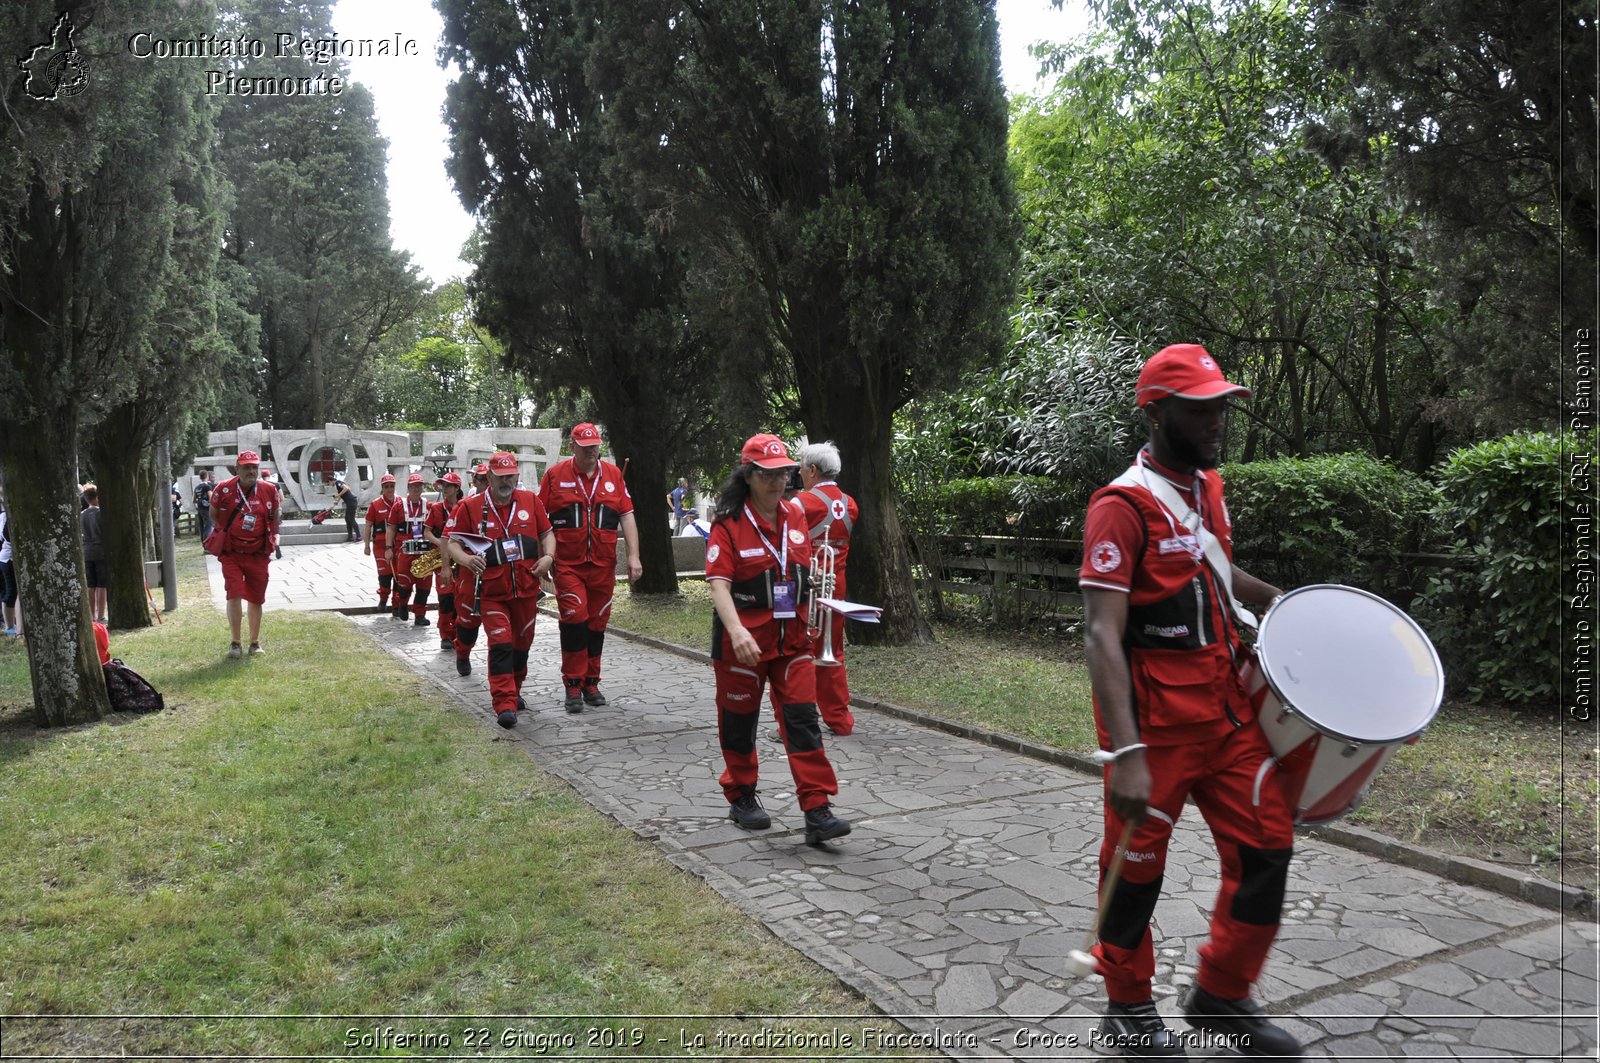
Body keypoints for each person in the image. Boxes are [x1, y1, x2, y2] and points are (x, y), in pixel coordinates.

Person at [1077, 344, 1297, 1059]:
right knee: (1135, 872)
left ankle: (1221, 994)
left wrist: (1289, 601)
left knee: (1267, 850)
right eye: (1201, 408)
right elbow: (1101, 636)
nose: (1216, 420)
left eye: (1221, 405)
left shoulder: (1208, 489)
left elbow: (1220, 572)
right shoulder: (1120, 507)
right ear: (1157, 411)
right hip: (1156, 730)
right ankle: (1126, 1005)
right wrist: (1127, 749)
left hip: (1228, 715)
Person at [705, 433, 850, 845]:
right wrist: (736, 630)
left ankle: (817, 809)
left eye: (784, 473)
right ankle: (742, 796)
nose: (778, 481)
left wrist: (813, 584)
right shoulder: (728, 522)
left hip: (793, 643)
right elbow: (718, 583)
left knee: (803, 721)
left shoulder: (796, 516)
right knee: (739, 725)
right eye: (767, 474)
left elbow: (799, 568)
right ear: (748, 476)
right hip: (743, 646)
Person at [445, 451, 555, 728]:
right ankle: (504, 702)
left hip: (527, 590)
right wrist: (466, 560)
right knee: (501, 644)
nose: (506, 482)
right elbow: (453, 543)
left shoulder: (531, 501)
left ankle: (514, 690)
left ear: (517, 475)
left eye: (511, 476)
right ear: (489, 477)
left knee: (521, 646)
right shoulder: (470, 507)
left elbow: (547, 533)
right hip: (492, 593)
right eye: (500, 477)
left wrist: (549, 557)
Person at [540, 423, 642, 712]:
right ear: (572, 446)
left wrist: (633, 556)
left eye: (595, 448)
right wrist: (545, 556)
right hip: (569, 565)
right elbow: (541, 520)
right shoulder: (554, 476)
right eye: (585, 449)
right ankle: (572, 684)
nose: (591, 453)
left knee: (597, 623)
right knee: (575, 619)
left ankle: (591, 681)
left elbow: (627, 517)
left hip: (603, 566)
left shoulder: (612, 475)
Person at [793, 441, 859, 736]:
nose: (799, 471)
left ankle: (796, 721)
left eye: (802, 467)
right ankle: (839, 719)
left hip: (806, 583)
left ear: (813, 470)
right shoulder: (850, 503)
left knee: (798, 652)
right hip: (836, 583)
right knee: (834, 650)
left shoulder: (801, 503)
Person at [210, 450, 281, 658]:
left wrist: (275, 536)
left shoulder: (269, 490)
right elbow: (214, 515)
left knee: (256, 597)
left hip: (258, 553)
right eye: (246, 467)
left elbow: (275, 515)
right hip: (232, 553)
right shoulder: (223, 489)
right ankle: (235, 643)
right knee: (234, 593)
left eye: (254, 467)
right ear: (237, 468)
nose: (251, 471)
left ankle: (254, 642)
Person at [386, 472, 435, 626]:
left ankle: (420, 614)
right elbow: (391, 528)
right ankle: (402, 604)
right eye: (413, 486)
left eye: (419, 486)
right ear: (408, 487)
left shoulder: (429, 506)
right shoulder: (399, 506)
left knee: (425, 585)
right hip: (405, 550)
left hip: (425, 551)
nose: (416, 489)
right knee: (405, 583)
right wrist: (388, 547)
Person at [424, 472, 465, 652]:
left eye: (448, 485)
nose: (445, 489)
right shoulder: (436, 508)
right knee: (445, 598)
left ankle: (458, 634)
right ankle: (445, 634)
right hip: (442, 558)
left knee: (461, 599)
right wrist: (440, 542)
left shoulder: (465, 507)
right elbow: (427, 532)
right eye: (443, 485)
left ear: (457, 488)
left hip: (461, 558)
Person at [363, 473, 399, 609]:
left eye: (392, 486)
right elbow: (368, 526)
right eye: (386, 486)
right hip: (380, 545)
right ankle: (383, 599)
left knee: (398, 574)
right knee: (384, 574)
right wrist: (366, 545)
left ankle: (397, 603)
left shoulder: (401, 502)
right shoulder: (375, 504)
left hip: (398, 544)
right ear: (382, 488)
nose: (389, 489)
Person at [80, 485, 107, 624]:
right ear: (97, 498)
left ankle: (91, 615)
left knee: (91, 585)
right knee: (102, 585)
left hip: (87, 552)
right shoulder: (101, 513)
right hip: (100, 551)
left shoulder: (82, 515)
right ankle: (101, 615)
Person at [0, 488, 17, 636]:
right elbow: (6, 536)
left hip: (7, 557)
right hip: (8, 558)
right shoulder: (5, 516)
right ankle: (9, 626)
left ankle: (11, 624)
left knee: (11, 591)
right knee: (10, 592)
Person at [333, 476, 360, 542]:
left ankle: (359, 536)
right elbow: (341, 494)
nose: (329, 485)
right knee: (347, 519)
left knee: (351, 518)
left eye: (328, 483)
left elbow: (346, 488)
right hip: (350, 502)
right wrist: (336, 501)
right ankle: (350, 537)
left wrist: (338, 495)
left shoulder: (338, 482)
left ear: (331, 481)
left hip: (351, 501)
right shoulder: (338, 486)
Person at [193, 471, 215, 540]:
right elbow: (211, 498)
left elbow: (193, 500)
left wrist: (200, 501)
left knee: (201, 526)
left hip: (199, 508)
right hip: (206, 509)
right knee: (209, 525)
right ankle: (207, 542)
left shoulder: (197, 487)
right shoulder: (207, 486)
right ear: (207, 476)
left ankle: (203, 541)